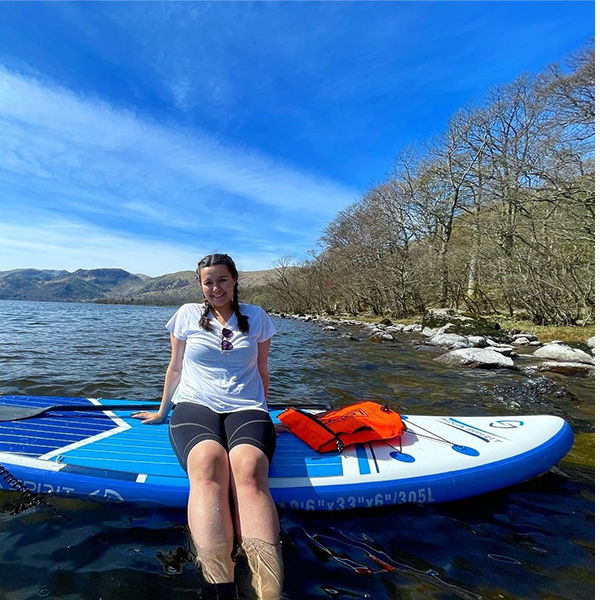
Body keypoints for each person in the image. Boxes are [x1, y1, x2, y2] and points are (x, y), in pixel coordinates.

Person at [132, 253, 282, 600]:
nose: (216, 288)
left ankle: (268, 592)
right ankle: (220, 589)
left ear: (234, 280)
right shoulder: (186, 315)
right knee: (208, 461)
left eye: (222, 280)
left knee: (249, 466)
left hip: (247, 406)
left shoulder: (256, 317)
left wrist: (268, 418)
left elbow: (262, 371)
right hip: (195, 405)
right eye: (208, 281)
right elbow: (175, 369)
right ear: (201, 285)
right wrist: (160, 412)